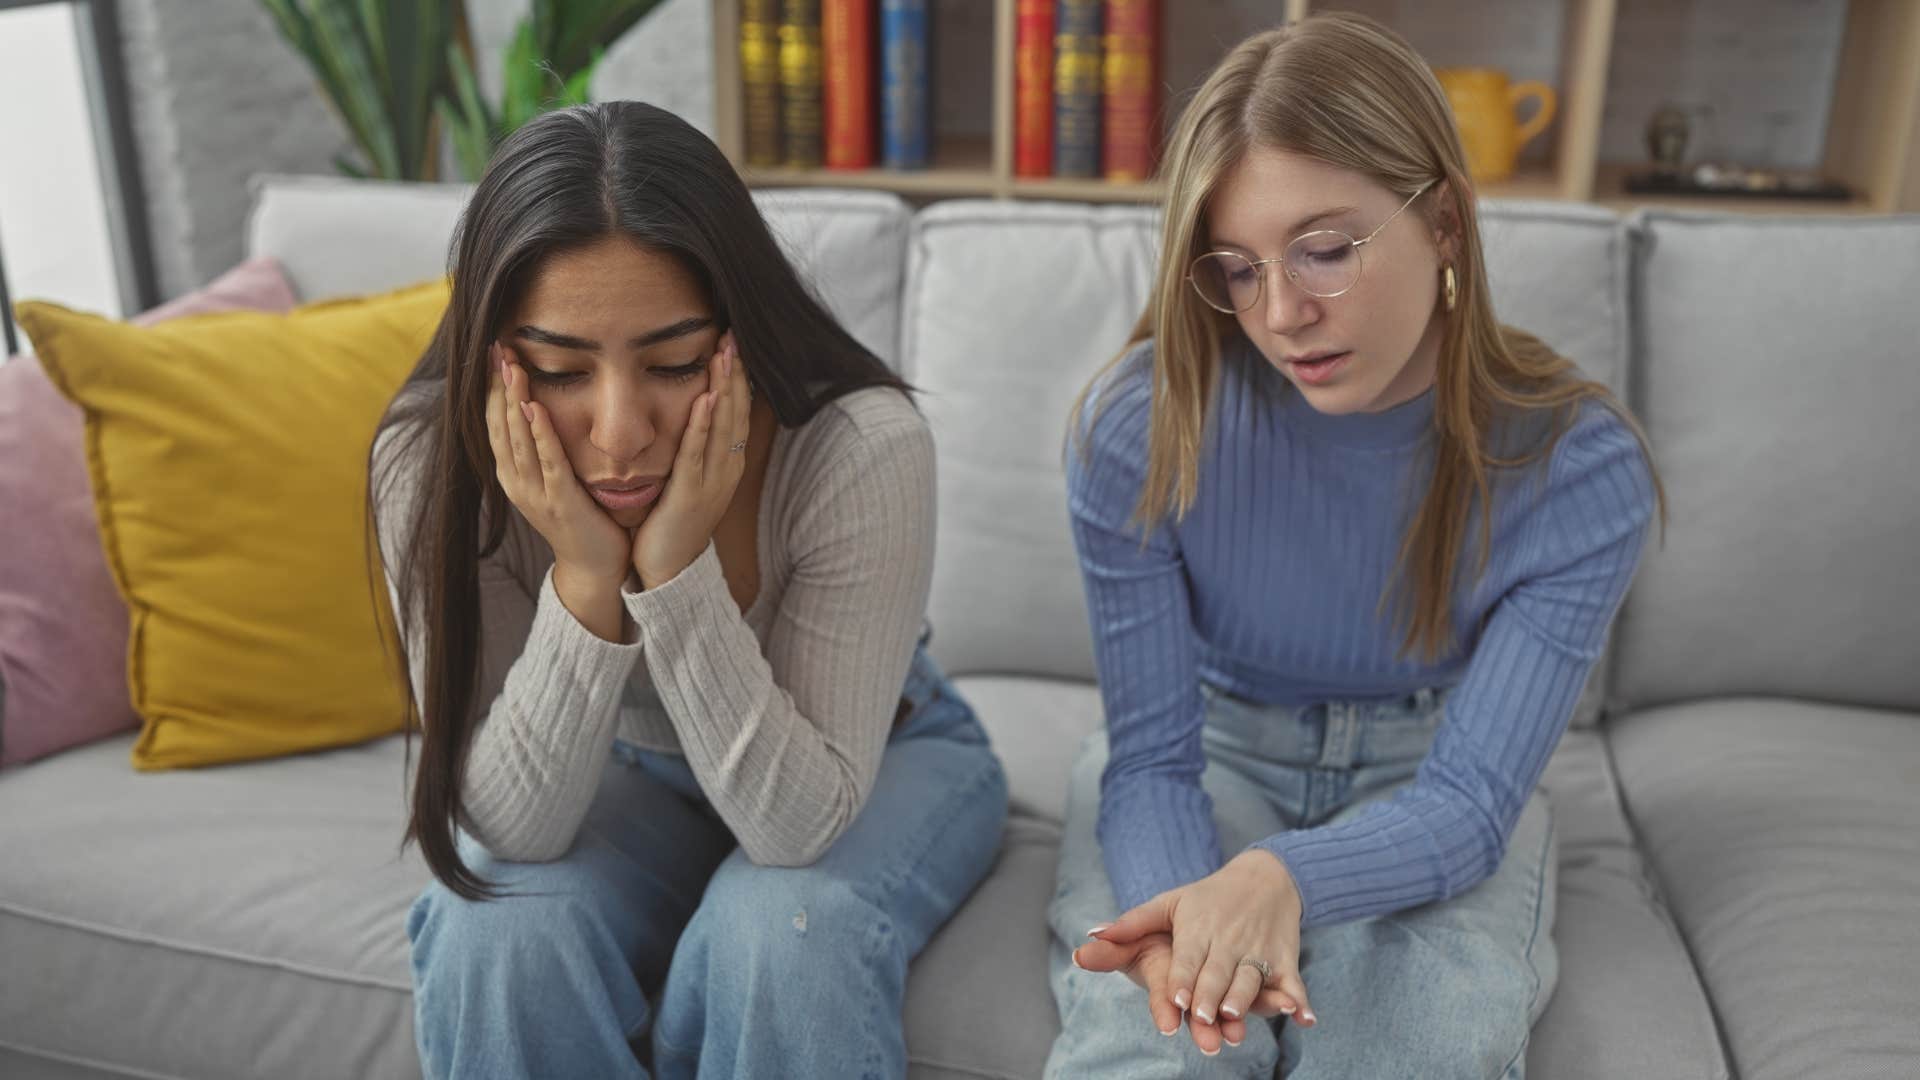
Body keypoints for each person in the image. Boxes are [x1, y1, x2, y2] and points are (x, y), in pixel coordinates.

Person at [1047, 14, 1665, 1078]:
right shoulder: (1139, 429)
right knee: (1168, 1050)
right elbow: (1151, 758)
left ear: (1446, 226)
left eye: (1326, 250)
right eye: (1237, 269)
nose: (1281, 313)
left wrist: (1277, 877)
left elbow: (1471, 804)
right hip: (1213, 751)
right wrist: (1190, 916)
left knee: (1410, 1050)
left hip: (1432, 775)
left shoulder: (1580, 469)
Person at [370, 100, 1008, 1080]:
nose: (620, 431)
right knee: (496, 936)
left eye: (671, 364)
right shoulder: (431, 466)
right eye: (558, 370)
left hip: (881, 751)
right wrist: (585, 577)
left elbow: (793, 831)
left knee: (782, 932)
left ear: (738, 337)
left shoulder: (862, 449)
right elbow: (514, 830)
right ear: (499, 359)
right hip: (632, 768)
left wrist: (672, 571)